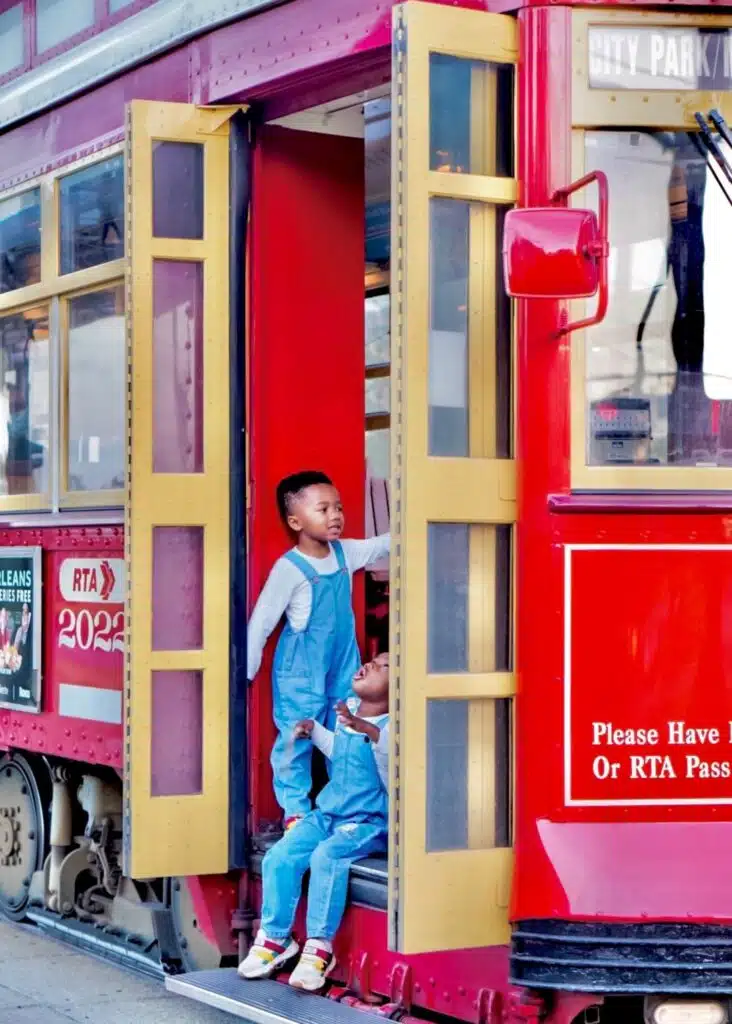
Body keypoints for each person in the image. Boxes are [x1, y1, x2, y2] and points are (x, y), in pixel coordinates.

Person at [238, 653, 389, 991]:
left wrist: (362, 726)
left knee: (327, 857)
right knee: (281, 856)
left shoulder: (392, 726)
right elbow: (342, 752)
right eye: (371, 661)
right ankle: (276, 939)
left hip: (368, 822)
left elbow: (388, 755)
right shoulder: (349, 709)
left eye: (383, 666)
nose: (369, 665)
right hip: (329, 813)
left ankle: (319, 947)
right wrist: (316, 731)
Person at [247, 470, 389, 828]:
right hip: (301, 670)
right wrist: (246, 672)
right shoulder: (289, 569)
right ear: (296, 521)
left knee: (346, 729)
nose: (335, 516)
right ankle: (295, 809)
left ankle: (346, 802)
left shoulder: (346, 553)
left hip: (344, 664)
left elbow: (383, 544)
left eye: (338, 508)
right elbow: (262, 622)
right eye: (323, 509)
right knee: (296, 735)